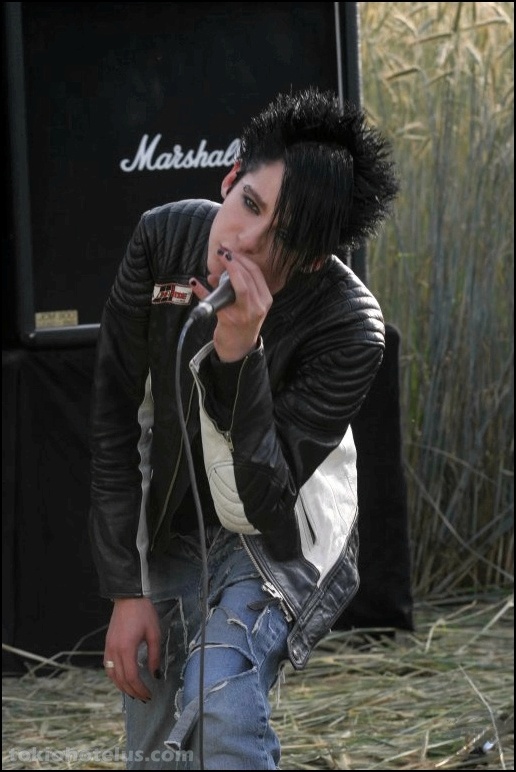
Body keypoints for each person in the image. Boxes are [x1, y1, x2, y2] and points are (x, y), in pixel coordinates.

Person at [89, 87, 399, 770]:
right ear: (230, 179)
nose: (246, 242)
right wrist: (127, 589)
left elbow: (261, 505)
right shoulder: (162, 238)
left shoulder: (352, 327)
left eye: (282, 238)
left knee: (219, 695)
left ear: (313, 258)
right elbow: (115, 420)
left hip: (282, 530)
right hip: (176, 522)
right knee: (158, 743)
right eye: (250, 205)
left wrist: (238, 355)